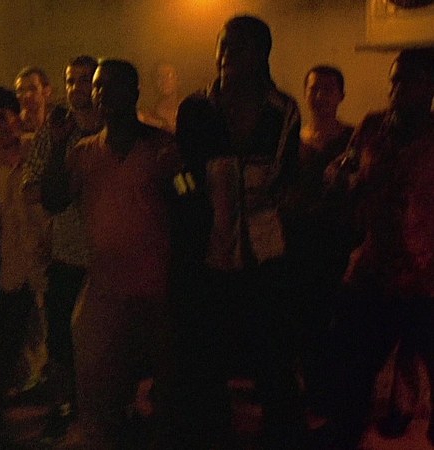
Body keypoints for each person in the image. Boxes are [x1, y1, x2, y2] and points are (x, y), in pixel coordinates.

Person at [175, 15, 303, 449]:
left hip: (265, 249)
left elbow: (288, 176)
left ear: (261, 54)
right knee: (205, 354)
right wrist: (193, 200)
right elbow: (181, 174)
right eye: (223, 45)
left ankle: (283, 434)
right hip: (208, 248)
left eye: (238, 46)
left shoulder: (282, 110)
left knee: (273, 352)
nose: (226, 54)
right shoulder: (196, 108)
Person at [45, 58, 179, 449]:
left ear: (133, 93)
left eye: (111, 86)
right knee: (96, 384)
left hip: (156, 288)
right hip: (104, 287)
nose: (101, 94)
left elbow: (190, 197)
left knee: (166, 393)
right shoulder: (84, 152)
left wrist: (178, 176)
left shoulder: (161, 146)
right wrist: (57, 144)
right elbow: (53, 200)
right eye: (98, 87)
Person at [321, 47, 434, 449]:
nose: (396, 89)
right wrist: (340, 177)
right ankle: (343, 434)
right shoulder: (372, 127)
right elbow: (348, 170)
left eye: (408, 80)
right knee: (350, 369)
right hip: (373, 267)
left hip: (425, 276)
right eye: (394, 79)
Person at [21, 55, 101, 440]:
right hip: (68, 251)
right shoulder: (55, 132)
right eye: (70, 81)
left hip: (109, 254)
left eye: (84, 80)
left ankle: (106, 412)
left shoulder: (115, 127)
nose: (76, 88)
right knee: (61, 341)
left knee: (105, 342)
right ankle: (64, 410)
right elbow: (33, 191)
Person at [281, 65, 356, 426]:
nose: (320, 96)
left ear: (341, 95)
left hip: (340, 242)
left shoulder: (354, 140)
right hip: (300, 244)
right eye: (313, 89)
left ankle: (339, 397)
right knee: (306, 321)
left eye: (328, 89)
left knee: (340, 322)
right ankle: (315, 395)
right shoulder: (293, 140)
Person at [0, 86, 50, 401]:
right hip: (12, 256)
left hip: (47, 251)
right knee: (20, 330)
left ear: (16, 117)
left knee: (51, 325)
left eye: (2, 117)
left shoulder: (37, 149)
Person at [138, 63, 180, 133]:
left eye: (169, 75)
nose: (164, 80)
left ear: (178, 80)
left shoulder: (188, 108)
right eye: (159, 77)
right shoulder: (148, 113)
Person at [15, 66, 53, 133]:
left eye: (32, 89)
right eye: (20, 90)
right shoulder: (14, 126)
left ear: (46, 91)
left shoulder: (57, 124)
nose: (26, 95)